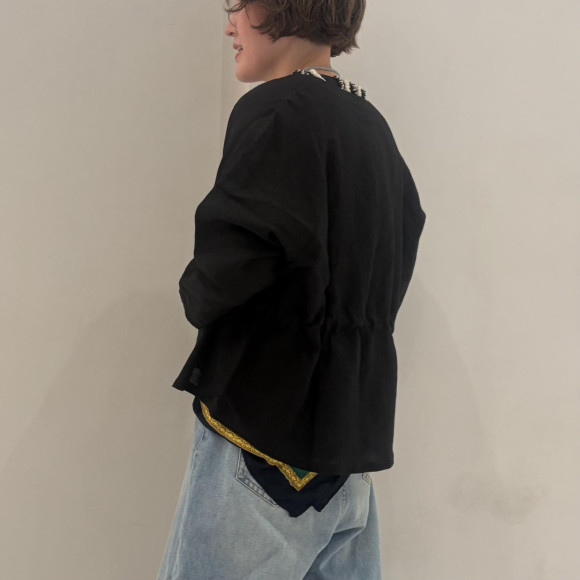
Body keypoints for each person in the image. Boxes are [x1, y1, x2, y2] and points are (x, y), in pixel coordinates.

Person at [157, 0, 426, 578]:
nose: (229, 22)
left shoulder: (277, 108)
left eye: (237, 4)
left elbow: (229, 264)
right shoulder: (372, 126)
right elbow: (399, 248)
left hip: (263, 440)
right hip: (349, 451)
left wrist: (195, 290)